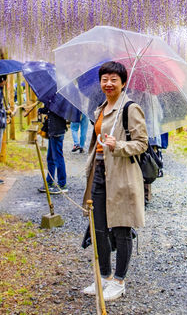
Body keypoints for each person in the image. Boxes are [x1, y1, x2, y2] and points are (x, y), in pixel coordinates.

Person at [82, 61, 148, 301]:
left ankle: (119, 281)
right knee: (98, 227)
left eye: (113, 79)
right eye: (104, 79)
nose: (108, 84)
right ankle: (104, 277)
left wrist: (118, 145)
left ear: (122, 83)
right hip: (99, 172)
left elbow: (142, 143)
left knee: (121, 227)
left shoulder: (131, 108)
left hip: (121, 174)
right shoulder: (101, 107)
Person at [37, 106, 68, 193]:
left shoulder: (58, 98)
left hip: (56, 130)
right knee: (50, 158)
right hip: (53, 130)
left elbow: (52, 109)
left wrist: (43, 109)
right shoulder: (55, 97)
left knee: (58, 158)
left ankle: (62, 184)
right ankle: (50, 181)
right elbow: (49, 108)